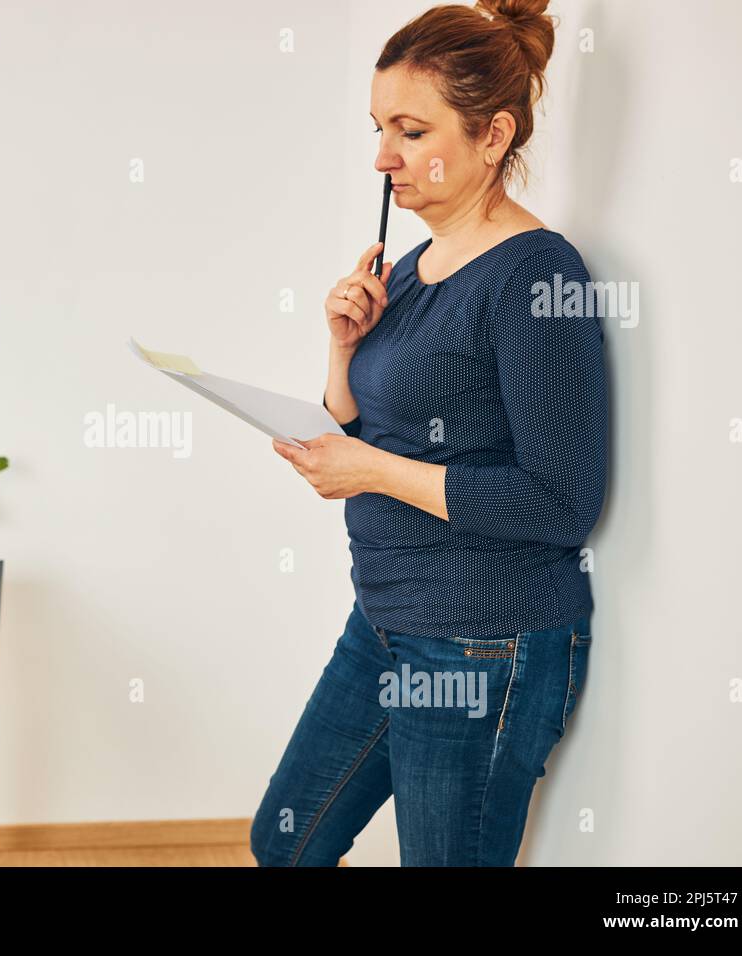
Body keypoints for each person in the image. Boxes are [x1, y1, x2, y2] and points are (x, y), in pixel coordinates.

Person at [251, 0, 608, 866]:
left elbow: (562, 503)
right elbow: (365, 429)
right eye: (379, 129)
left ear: (494, 136)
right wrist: (342, 352)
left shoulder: (535, 276)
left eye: (411, 131)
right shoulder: (411, 268)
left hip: (484, 638)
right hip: (387, 615)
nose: (382, 158)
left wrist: (368, 469)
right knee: (285, 843)